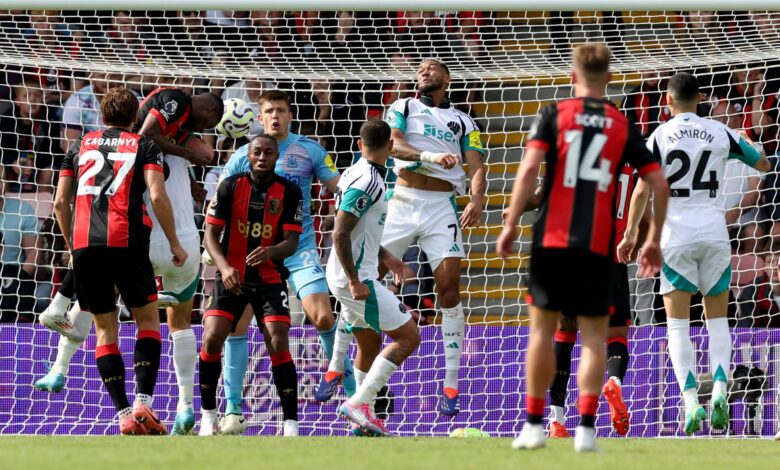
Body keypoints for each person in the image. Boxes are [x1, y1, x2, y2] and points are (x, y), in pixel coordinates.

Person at [497, 43, 669, 452]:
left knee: (544, 332)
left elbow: (527, 172)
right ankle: (587, 430)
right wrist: (652, 239)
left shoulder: (553, 115)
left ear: (573, 76)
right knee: (595, 338)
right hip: (599, 245)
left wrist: (509, 223)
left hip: (552, 239)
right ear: (609, 77)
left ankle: (536, 424)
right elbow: (657, 182)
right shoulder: (621, 125)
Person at [618, 72, 770, 436]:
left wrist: (629, 235)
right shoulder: (720, 131)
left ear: (668, 102)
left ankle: (690, 402)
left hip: (676, 236)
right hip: (715, 234)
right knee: (718, 320)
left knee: (677, 326)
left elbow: (641, 191)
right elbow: (762, 163)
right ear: (700, 98)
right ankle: (720, 387)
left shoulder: (659, 136)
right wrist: (750, 141)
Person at [217, 90, 356, 434]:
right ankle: (233, 410)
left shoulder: (308, 150)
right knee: (235, 328)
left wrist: (365, 192)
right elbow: (220, 198)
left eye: (280, 110)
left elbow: (338, 185)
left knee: (323, 316)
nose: (275, 116)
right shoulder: (242, 156)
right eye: (269, 111)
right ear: (259, 118)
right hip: (252, 254)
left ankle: (356, 399)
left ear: (290, 115)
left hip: (299, 248)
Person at [53, 86, 187, 435]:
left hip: (85, 247)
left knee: (104, 329)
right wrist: (175, 242)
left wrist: (72, 245)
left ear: (101, 114)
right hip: (127, 243)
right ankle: (144, 402)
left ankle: (123, 414)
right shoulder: (146, 146)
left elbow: (59, 203)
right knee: (147, 322)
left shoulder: (77, 146)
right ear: (134, 117)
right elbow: (157, 194)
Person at [379, 58, 486, 416]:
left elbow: (477, 165)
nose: (424, 72)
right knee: (366, 275)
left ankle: (451, 385)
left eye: (432, 68)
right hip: (403, 200)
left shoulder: (465, 121)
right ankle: (340, 365)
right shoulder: (402, 106)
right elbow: (392, 145)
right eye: (420, 69)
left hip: (442, 206)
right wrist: (429, 155)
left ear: (447, 78)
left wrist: (476, 198)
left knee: (450, 290)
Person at [199, 134, 303, 437]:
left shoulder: (290, 191)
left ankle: (291, 425)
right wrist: (225, 266)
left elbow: (292, 242)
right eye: (257, 152)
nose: (262, 157)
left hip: (269, 279)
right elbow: (210, 235)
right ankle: (208, 417)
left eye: (268, 153)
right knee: (212, 339)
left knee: (279, 340)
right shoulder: (230, 186)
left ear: (276, 156)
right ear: (248, 155)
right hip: (231, 277)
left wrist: (271, 251)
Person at [328, 120, 419, 437]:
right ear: (391, 147)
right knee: (409, 337)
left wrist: (385, 256)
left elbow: (359, 230)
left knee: (369, 344)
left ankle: (361, 420)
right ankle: (360, 403)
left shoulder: (357, 172)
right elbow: (340, 232)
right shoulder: (368, 180)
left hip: (350, 273)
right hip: (356, 279)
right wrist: (355, 280)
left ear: (358, 143)